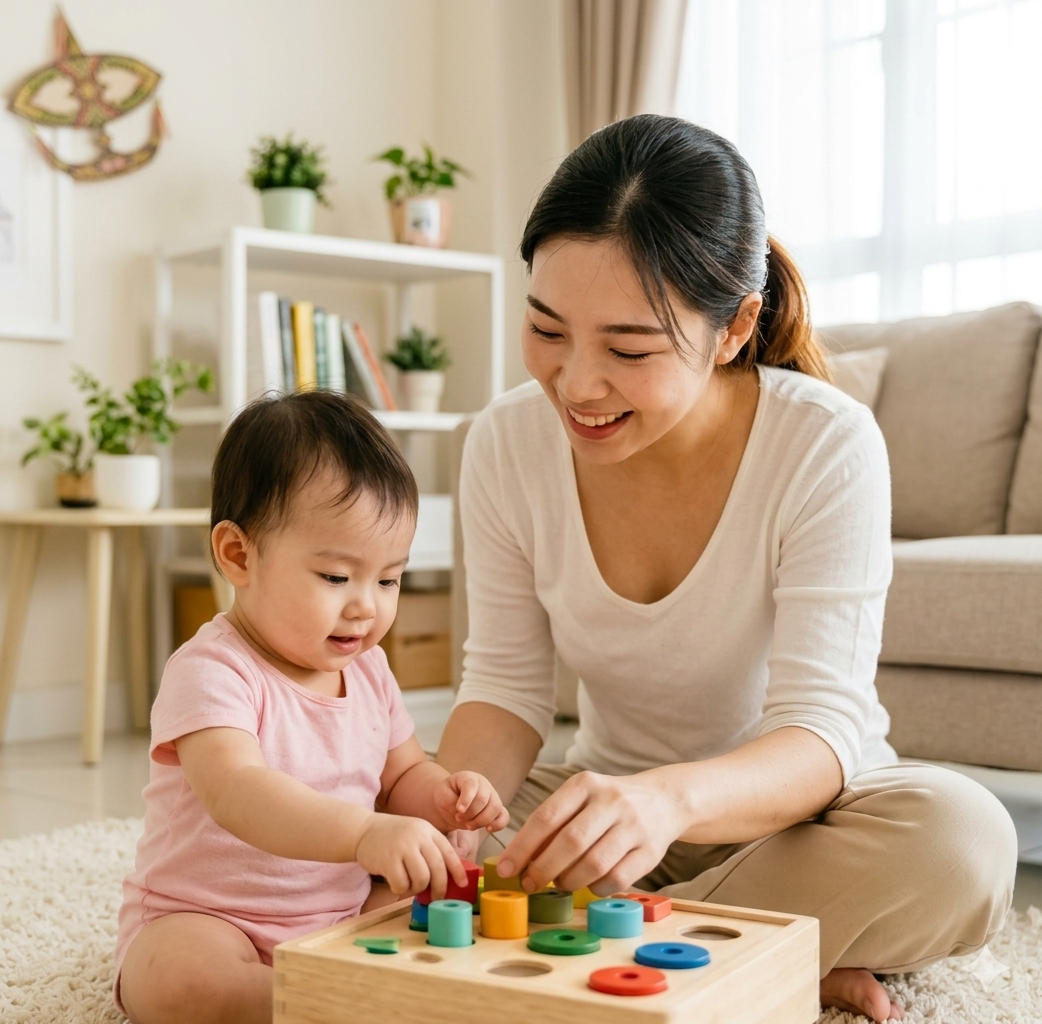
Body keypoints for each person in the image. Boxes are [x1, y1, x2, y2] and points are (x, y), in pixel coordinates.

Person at [437, 114, 1018, 1023]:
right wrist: (442, 818)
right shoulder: (504, 442)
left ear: (735, 327)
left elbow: (820, 730)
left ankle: (618, 949)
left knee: (963, 840)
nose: (577, 383)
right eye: (548, 329)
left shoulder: (824, 443)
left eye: (628, 349)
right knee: (364, 832)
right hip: (609, 827)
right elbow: (505, 688)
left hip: (802, 826)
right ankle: (739, 960)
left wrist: (664, 801)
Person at [116, 391, 508, 1024]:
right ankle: (315, 1001)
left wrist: (442, 797)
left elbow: (401, 774)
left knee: (444, 901)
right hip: (213, 916)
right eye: (336, 577)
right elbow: (238, 790)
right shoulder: (212, 669)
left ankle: (354, 990)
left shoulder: (370, 669)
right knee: (185, 983)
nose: (366, 607)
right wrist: (366, 833)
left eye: (388, 579)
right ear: (238, 556)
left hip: (342, 911)